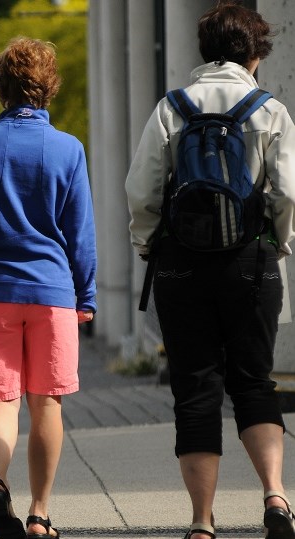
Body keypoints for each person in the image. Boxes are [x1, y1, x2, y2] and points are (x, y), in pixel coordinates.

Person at [125, 4, 295, 539]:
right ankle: (275, 497)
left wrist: (147, 244)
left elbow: (142, 189)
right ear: (255, 54)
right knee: (254, 382)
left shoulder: (171, 108)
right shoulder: (269, 109)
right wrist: (280, 242)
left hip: (181, 263)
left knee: (195, 388)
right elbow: (287, 191)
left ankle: (201, 521)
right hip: (252, 260)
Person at [0, 37, 96, 539]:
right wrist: (86, 294)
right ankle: (39, 513)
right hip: (53, 290)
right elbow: (81, 233)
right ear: (48, 86)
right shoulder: (69, 149)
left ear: (1, 86)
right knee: (46, 402)